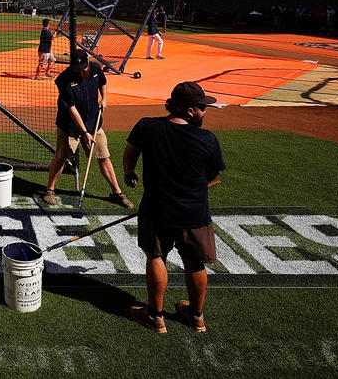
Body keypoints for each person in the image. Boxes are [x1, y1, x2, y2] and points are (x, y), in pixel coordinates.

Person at [122, 81, 225, 334]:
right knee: (194, 261)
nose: (205, 111)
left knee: (156, 256)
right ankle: (196, 316)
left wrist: (129, 173)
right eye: (203, 107)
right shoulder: (207, 138)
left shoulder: (147, 126)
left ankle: (156, 317)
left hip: (157, 210)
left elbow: (129, 152)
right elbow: (214, 172)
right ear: (190, 110)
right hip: (194, 214)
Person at [43, 50, 134, 208]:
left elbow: (103, 83)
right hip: (69, 126)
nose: (82, 71)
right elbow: (72, 109)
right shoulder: (64, 80)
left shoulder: (95, 68)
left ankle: (117, 193)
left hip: (93, 123)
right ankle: (50, 190)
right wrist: (84, 132)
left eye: (84, 68)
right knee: (61, 157)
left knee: (103, 157)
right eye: (78, 69)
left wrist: (104, 98)